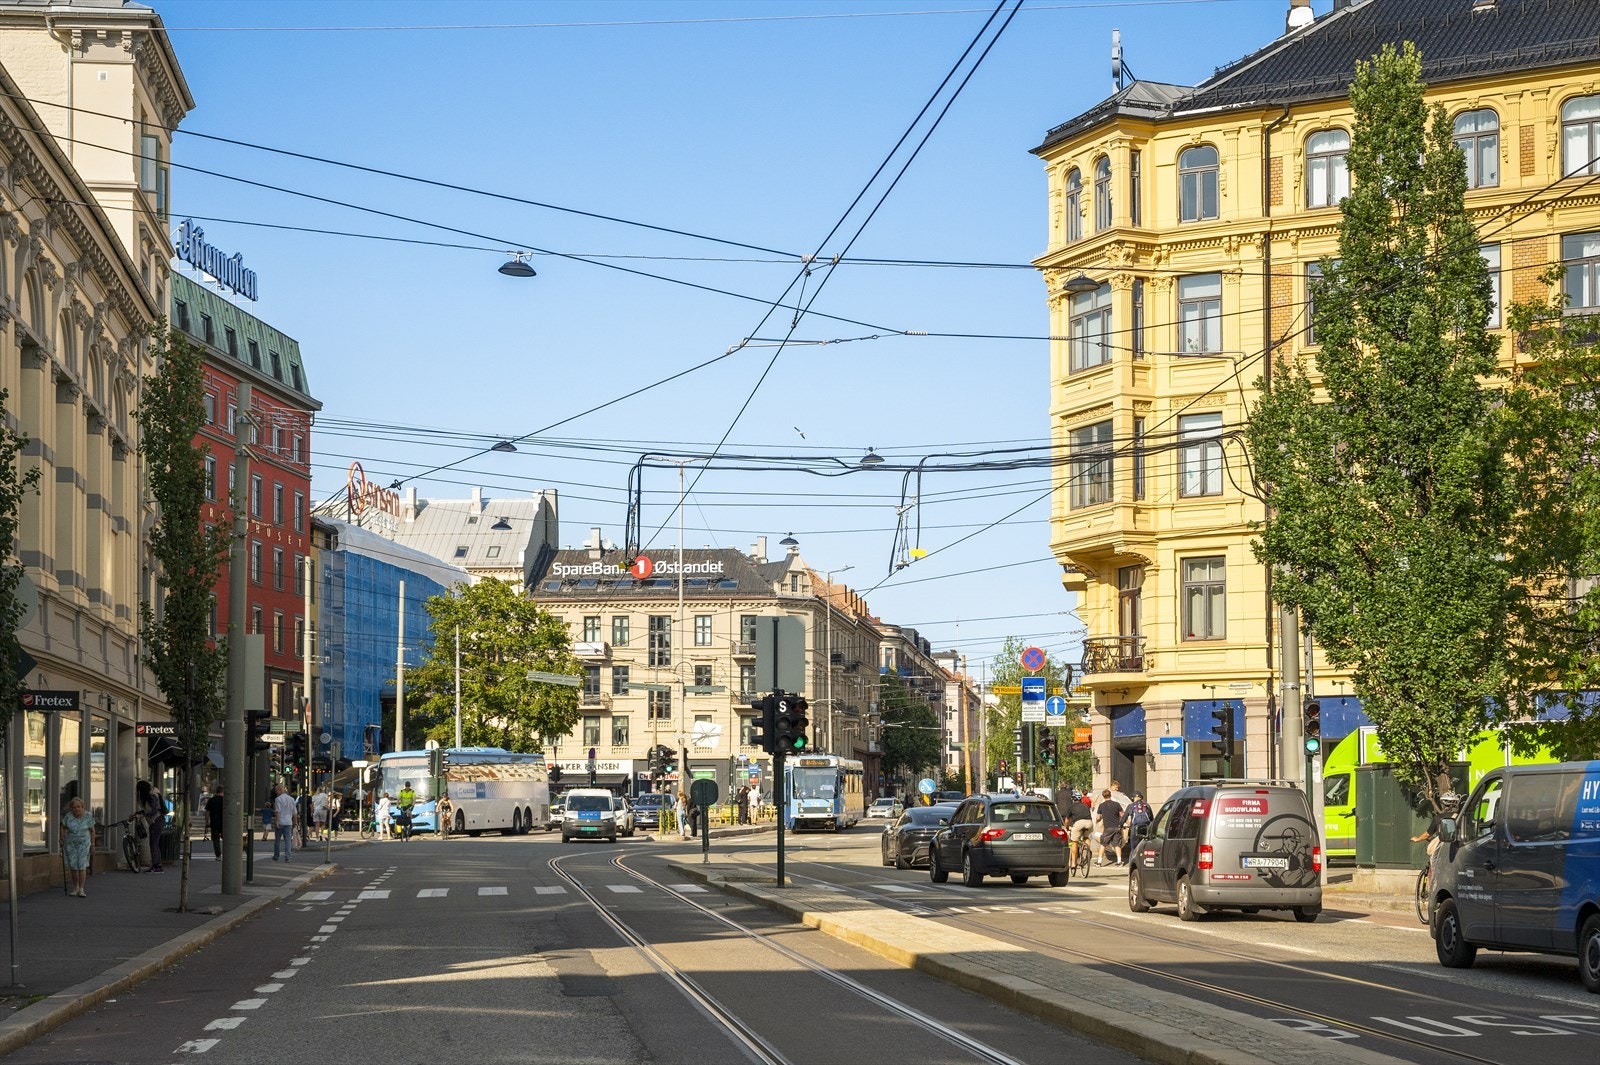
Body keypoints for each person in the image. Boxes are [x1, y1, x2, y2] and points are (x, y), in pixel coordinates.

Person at [60, 797, 95, 897]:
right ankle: (75, 887)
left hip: (84, 844)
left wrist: (93, 844)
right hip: (71, 844)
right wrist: (62, 839)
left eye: (79, 807)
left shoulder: (88, 816)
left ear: (83, 807)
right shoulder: (68, 816)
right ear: (71, 808)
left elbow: (92, 831)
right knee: (74, 866)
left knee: (82, 865)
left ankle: (81, 889)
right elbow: (63, 827)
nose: (77, 809)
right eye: (74, 807)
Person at [136, 780, 165, 873]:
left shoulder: (152, 795)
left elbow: (154, 809)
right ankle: (158, 865)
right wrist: (138, 813)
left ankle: (156, 866)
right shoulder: (153, 793)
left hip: (156, 820)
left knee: (153, 844)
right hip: (156, 820)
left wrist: (142, 814)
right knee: (155, 844)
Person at [1095, 788, 1126, 867]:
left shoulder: (1101, 806)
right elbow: (1122, 815)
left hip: (1107, 828)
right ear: (1110, 795)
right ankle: (1119, 861)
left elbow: (1098, 817)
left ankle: (1099, 862)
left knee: (1103, 844)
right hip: (1117, 827)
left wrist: (1097, 822)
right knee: (1117, 845)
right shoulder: (1116, 804)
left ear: (1103, 796)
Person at [1064, 790, 1094, 868]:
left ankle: (1073, 863)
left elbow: (1067, 820)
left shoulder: (1071, 807)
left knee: (1075, 842)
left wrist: (1066, 827)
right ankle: (1087, 850)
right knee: (1086, 837)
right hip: (1089, 823)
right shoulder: (1086, 806)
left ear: (1073, 800)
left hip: (1078, 824)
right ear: (1080, 799)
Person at [272, 783, 297, 861]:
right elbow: (295, 812)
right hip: (289, 822)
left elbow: (278, 811)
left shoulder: (278, 799)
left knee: (277, 840)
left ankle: (276, 856)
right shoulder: (291, 799)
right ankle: (287, 857)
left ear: (280, 790)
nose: (276, 793)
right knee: (288, 840)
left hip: (281, 822)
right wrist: (295, 822)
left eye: (276, 791)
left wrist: (277, 821)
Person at [205, 785, 226, 860]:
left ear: (216, 791)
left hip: (214, 822)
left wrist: (207, 822)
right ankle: (227, 854)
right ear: (223, 791)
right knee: (226, 839)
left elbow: (207, 812)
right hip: (224, 823)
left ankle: (218, 855)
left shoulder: (211, 800)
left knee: (216, 839)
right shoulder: (225, 800)